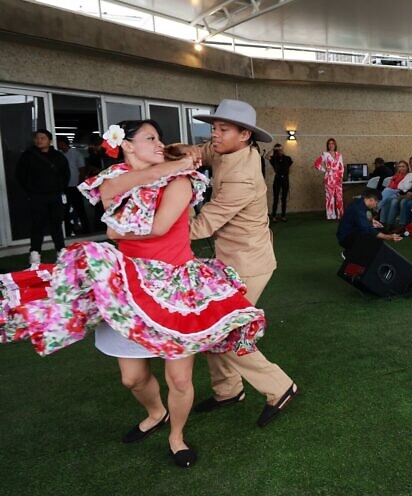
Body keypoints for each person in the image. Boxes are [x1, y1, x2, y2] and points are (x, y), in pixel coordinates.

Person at [1, 119, 268, 469]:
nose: (160, 143)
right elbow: (115, 194)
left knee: (180, 378)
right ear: (126, 145)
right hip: (128, 288)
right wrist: (172, 162)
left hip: (175, 287)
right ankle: (156, 412)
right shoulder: (116, 179)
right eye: (150, 138)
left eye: (159, 138)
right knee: (131, 378)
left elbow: (153, 227)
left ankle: (177, 436)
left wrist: (117, 229)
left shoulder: (182, 182)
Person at [168, 99, 298, 428]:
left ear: (244, 135)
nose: (215, 134)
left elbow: (201, 226)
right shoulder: (226, 149)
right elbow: (199, 152)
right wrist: (176, 150)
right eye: (214, 127)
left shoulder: (243, 176)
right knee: (214, 330)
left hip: (249, 262)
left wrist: (165, 215)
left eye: (222, 129)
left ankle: (280, 387)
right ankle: (228, 390)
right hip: (230, 258)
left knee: (226, 332)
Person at [15, 129, 70, 266]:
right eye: (37, 138)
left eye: (43, 138)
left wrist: (59, 188)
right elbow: (20, 175)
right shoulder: (28, 156)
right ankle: (35, 254)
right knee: (37, 225)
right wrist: (30, 191)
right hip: (36, 196)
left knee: (56, 225)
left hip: (55, 196)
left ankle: (61, 252)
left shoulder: (58, 156)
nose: (39, 140)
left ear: (49, 141)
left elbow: (65, 174)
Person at [337, 189, 402, 250]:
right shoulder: (359, 209)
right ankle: (352, 252)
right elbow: (368, 229)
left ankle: (363, 251)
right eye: (376, 202)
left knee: (380, 229)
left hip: (347, 233)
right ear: (371, 200)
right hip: (346, 238)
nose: (376, 205)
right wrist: (389, 237)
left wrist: (371, 221)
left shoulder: (359, 201)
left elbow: (356, 219)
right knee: (373, 233)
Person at [56, 136, 90, 235]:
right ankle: (68, 231)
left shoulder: (75, 153)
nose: (58, 145)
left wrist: (80, 184)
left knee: (80, 209)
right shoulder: (60, 155)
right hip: (65, 187)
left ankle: (86, 229)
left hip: (75, 186)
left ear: (64, 143)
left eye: (60, 143)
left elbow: (82, 169)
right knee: (65, 210)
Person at [314, 138, 344, 220]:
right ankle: (331, 216)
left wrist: (341, 177)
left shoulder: (339, 155)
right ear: (327, 145)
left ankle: (340, 215)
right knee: (330, 198)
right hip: (329, 179)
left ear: (335, 145)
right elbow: (316, 164)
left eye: (333, 143)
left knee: (339, 197)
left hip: (338, 179)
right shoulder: (325, 154)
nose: (331, 145)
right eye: (329, 144)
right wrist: (324, 170)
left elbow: (341, 167)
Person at [269, 143, 292, 221]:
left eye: (281, 149)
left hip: (285, 179)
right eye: (278, 149)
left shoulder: (287, 158)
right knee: (276, 198)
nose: (280, 150)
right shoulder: (273, 159)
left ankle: (283, 216)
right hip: (277, 179)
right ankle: (274, 216)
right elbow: (266, 156)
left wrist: (286, 175)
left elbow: (289, 168)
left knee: (284, 198)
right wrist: (273, 149)